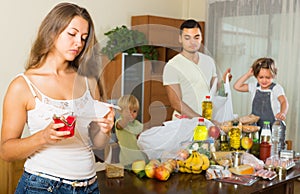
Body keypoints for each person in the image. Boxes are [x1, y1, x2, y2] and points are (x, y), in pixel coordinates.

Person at [0, 3, 114, 194]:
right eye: (72, 34)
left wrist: (105, 129)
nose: (79, 43)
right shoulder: (23, 85)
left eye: (83, 38)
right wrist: (43, 137)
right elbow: (6, 151)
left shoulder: (88, 81)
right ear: (52, 32)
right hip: (43, 187)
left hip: (90, 186)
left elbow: (98, 144)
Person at [163, 19, 231, 120]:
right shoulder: (172, 66)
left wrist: (224, 82)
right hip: (184, 121)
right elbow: (176, 103)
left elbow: (213, 90)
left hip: (207, 119)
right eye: (187, 38)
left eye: (196, 37)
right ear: (180, 39)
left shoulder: (209, 61)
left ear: (201, 38)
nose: (192, 42)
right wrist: (201, 119)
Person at [234, 57, 289, 129]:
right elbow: (237, 86)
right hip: (255, 126)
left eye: (268, 77)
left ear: (274, 76)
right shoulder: (254, 87)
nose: (264, 80)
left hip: (272, 127)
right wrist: (247, 75)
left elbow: (284, 101)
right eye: (261, 77)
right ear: (256, 76)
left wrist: (283, 113)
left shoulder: (276, 88)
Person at [115, 95, 148, 165]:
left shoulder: (137, 123)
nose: (131, 114)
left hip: (141, 159)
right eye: (128, 111)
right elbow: (121, 125)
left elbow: (144, 130)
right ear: (120, 111)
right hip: (127, 161)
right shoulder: (120, 122)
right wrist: (126, 118)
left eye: (134, 111)